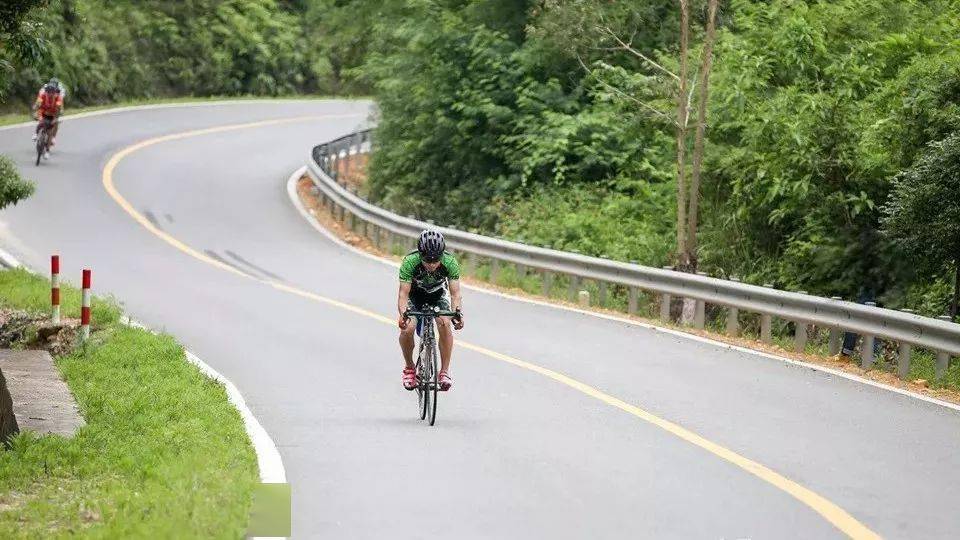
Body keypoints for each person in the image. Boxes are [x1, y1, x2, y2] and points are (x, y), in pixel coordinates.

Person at [398, 230, 464, 391]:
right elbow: (403, 294)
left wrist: (457, 313)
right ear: (420, 255)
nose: (432, 264)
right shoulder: (410, 262)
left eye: (436, 260)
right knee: (408, 329)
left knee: (445, 323)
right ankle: (409, 368)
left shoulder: (450, 262)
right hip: (415, 296)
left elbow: (455, 294)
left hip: (437, 295)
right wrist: (403, 314)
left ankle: (444, 371)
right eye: (428, 260)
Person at [31, 78, 65, 158]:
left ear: (55, 92)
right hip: (43, 112)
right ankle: (36, 134)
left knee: (51, 130)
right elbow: (38, 103)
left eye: (52, 93)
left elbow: (59, 109)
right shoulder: (43, 93)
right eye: (48, 92)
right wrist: (35, 110)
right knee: (41, 122)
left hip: (53, 114)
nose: (50, 94)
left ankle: (47, 150)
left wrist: (56, 119)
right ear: (46, 91)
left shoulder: (59, 96)